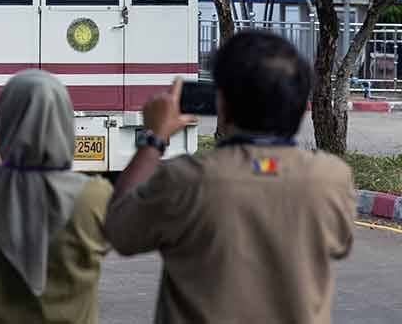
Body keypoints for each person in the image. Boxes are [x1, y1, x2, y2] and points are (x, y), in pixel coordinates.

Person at [104, 30, 355, 324]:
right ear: (300, 108)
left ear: (222, 104)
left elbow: (120, 231)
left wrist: (155, 138)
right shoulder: (331, 178)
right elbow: (340, 244)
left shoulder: (186, 180)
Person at [0, 69, 113, 324]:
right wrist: (154, 141)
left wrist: (7, 173)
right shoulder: (91, 197)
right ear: (63, 122)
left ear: (4, 119)